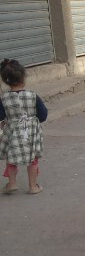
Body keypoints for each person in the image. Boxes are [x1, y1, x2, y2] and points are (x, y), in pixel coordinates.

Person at [0, 58, 48, 195]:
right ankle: (33, 186)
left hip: (12, 131)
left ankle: (12, 184)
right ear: (23, 78)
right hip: (31, 130)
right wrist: (32, 120)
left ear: (5, 81)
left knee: (11, 157)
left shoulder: (3, 98)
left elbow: (0, 116)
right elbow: (43, 115)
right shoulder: (33, 96)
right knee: (32, 158)